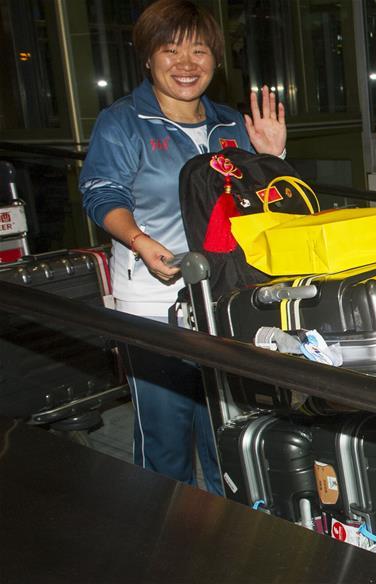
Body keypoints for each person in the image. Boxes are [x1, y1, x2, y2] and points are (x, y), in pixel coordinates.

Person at [79, 0, 286, 494]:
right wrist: (139, 241)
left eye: (199, 50)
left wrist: (273, 157)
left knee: (228, 436)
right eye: (170, 50)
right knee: (165, 444)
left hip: (227, 299)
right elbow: (101, 192)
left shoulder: (232, 124)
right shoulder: (124, 122)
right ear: (147, 57)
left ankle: (226, 546)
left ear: (216, 57)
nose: (187, 63)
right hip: (155, 302)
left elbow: (266, 204)